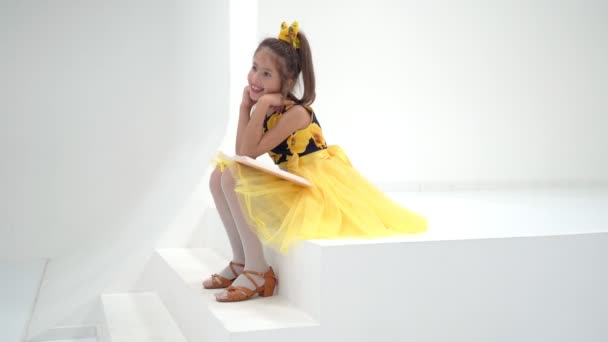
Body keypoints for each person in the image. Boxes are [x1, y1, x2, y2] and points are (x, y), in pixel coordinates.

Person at [202, 21, 427, 302]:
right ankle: (239, 260)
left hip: (315, 184)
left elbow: (247, 156)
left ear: (286, 83)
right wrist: (245, 107)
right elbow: (242, 152)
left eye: (266, 73)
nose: (255, 78)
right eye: (254, 67)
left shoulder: (296, 113)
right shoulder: (267, 107)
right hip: (295, 178)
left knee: (232, 175)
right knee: (219, 175)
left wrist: (257, 108)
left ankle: (258, 270)